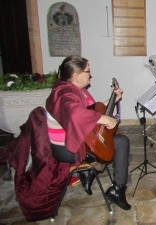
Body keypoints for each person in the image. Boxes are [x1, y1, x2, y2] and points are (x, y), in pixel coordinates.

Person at [45, 56, 131, 210]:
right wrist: (106, 119)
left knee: (109, 140)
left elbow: (91, 110)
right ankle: (117, 189)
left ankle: (91, 172)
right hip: (67, 147)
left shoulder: (75, 89)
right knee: (121, 142)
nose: (90, 74)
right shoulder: (64, 93)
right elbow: (76, 114)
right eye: (88, 71)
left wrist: (112, 100)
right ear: (76, 76)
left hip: (79, 138)